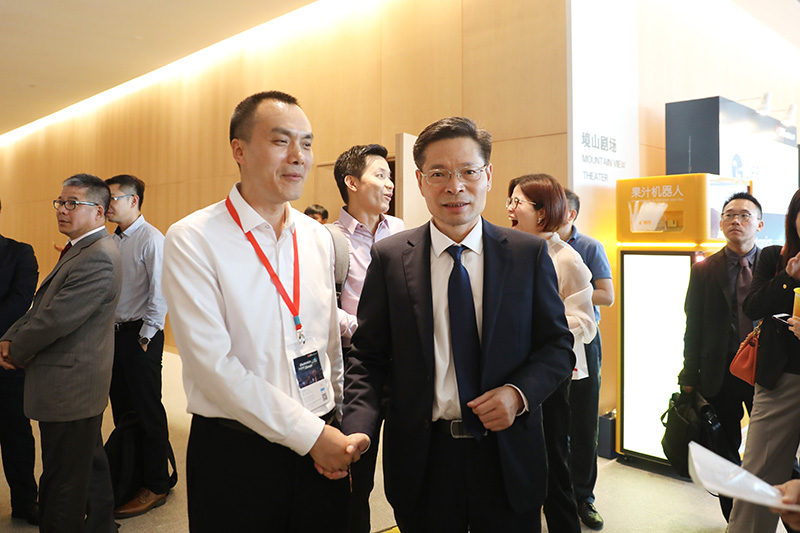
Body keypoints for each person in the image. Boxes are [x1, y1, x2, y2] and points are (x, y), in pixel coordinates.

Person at [341, 117, 575, 532]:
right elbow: (368, 356)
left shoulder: (527, 255)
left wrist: (519, 394)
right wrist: (358, 427)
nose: (455, 186)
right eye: (439, 174)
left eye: (468, 171)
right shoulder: (391, 257)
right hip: (423, 460)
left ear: (488, 176)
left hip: (507, 455)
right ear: (420, 181)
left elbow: (557, 346)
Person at [162, 91, 367, 532]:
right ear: (239, 150)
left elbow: (327, 342)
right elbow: (213, 367)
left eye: (307, 143)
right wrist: (311, 436)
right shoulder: (193, 238)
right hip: (238, 450)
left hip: (322, 438)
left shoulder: (318, 237)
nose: (298, 156)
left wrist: (336, 420)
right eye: (281, 141)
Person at [0, 174, 121, 532]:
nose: (62, 210)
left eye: (72, 204)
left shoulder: (98, 256)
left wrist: (15, 349)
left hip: (71, 384)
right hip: (74, 382)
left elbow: (55, 319)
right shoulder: (80, 249)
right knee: (87, 467)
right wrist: (11, 336)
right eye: (60, 202)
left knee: (62, 485)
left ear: (98, 211)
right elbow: (42, 306)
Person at [507, 174, 596, 533]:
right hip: (509, 373)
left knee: (552, 462)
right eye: (510, 200)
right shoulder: (507, 249)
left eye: (517, 202)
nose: (509, 209)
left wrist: (541, 326)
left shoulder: (566, 258)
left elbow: (585, 322)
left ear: (542, 213)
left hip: (549, 375)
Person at [332, 143, 405, 533]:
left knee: (408, 469)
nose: (389, 184)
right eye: (380, 175)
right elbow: (322, 309)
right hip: (356, 367)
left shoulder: (402, 231)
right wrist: (372, 330)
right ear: (352, 182)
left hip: (405, 364)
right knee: (355, 472)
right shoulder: (329, 240)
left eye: (390, 177)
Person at [679, 191, 763, 521]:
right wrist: (688, 377)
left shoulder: (773, 266)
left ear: (759, 224)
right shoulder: (704, 270)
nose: (735, 221)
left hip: (765, 372)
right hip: (720, 373)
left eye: (744, 215)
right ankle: (736, 521)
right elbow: (694, 326)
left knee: (774, 448)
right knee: (726, 450)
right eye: (728, 215)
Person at [728, 188, 800, 532]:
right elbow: (753, 306)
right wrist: (788, 278)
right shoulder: (774, 257)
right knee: (758, 477)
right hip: (780, 379)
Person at [104, 174, 172, 518]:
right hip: (114, 335)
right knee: (123, 410)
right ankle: (132, 474)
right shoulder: (110, 241)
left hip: (140, 336)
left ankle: (156, 484)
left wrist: (145, 337)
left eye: (112, 198)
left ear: (133, 200)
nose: (106, 205)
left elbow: (161, 292)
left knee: (147, 411)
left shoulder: (152, 239)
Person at [557, 188, 614, 530]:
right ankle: (554, 492)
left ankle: (583, 497)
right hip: (550, 341)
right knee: (552, 421)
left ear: (571, 215)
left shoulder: (589, 247)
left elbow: (606, 295)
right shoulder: (536, 244)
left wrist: (570, 288)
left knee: (583, 423)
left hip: (584, 340)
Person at [0, 198, 40, 525]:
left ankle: (25, 502)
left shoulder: (20, 253)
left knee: (16, 434)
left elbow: (21, 300)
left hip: (6, 359)